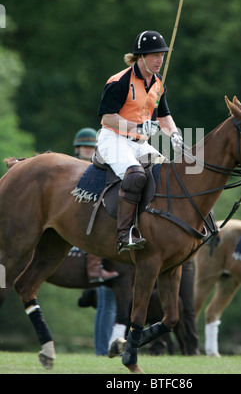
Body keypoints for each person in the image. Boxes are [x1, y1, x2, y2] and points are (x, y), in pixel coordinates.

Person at [96, 30, 183, 253]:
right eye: (155, 55)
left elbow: (163, 115)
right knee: (135, 175)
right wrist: (137, 127)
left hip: (139, 143)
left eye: (162, 55)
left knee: (168, 174)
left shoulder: (158, 82)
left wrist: (173, 133)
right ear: (141, 57)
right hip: (114, 139)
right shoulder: (120, 81)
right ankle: (124, 234)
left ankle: (158, 227)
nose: (160, 60)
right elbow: (107, 117)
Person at [73, 128, 119, 283]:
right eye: (84, 146)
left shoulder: (99, 168)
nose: (88, 149)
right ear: (77, 148)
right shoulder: (70, 166)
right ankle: (94, 269)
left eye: (91, 147)